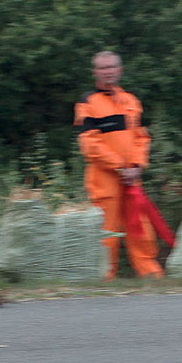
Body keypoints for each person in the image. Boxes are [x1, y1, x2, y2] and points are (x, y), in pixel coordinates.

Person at [74, 50, 163, 280]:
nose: (108, 71)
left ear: (120, 70)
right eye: (103, 68)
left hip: (132, 176)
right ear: (95, 72)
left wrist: (136, 166)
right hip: (105, 179)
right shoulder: (87, 103)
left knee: (140, 227)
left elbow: (141, 137)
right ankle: (105, 277)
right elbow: (89, 144)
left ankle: (151, 275)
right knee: (107, 229)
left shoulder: (131, 101)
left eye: (112, 67)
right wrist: (119, 166)